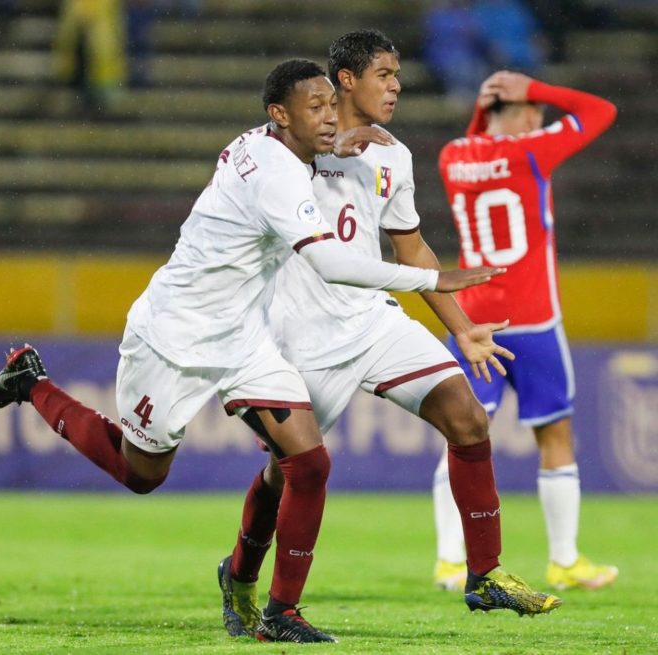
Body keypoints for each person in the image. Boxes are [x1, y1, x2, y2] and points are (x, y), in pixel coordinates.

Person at [0, 59, 500, 644]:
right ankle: (32, 382)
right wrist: (433, 281)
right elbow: (329, 261)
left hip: (244, 336)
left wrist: (338, 140)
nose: (330, 116)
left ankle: (282, 613)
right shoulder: (276, 174)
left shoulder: (274, 144)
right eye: (316, 108)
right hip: (174, 335)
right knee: (141, 472)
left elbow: (309, 152)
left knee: (308, 463)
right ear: (279, 115)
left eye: (332, 105)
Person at [216, 31, 563, 641]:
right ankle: (246, 580)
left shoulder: (393, 156)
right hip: (299, 333)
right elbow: (250, 173)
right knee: (287, 472)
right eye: (383, 73)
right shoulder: (288, 144)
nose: (396, 85)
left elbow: (410, 248)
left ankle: (484, 573)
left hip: (371, 320)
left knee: (468, 419)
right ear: (345, 80)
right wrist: (326, 148)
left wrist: (463, 327)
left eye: (398, 73)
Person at [433, 70, 618, 591]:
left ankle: (449, 560)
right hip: (533, 320)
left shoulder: (453, 157)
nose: (540, 116)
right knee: (555, 434)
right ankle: (564, 559)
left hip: (473, 320)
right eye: (534, 109)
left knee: (460, 435)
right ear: (520, 112)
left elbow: (476, 138)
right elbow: (602, 110)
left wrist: (485, 105)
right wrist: (540, 88)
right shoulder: (530, 152)